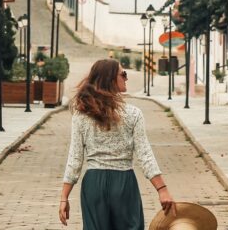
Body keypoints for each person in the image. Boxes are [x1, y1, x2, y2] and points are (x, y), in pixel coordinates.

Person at [59, 58, 176, 228]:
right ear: (110, 79)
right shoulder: (133, 114)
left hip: (93, 184)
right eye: (123, 74)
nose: (126, 78)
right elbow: (145, 155)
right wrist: (162, 189)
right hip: (123, 183)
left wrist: (64, 197)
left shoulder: (81, 115)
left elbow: (75, 159)